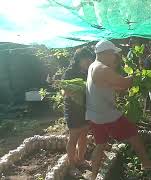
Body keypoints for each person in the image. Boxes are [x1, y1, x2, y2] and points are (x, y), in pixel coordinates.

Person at [86, 40, 151, 179]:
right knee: (133, 132)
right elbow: (124, 83)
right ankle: (146, 163)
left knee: (100, 144)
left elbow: (111, 85)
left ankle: (93, 176)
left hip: (95, 114)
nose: (115, 57)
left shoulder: (93, 66)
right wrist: (139, 76)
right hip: (107, 114)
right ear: (107, 53)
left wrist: (123, 85)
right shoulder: (103, 69)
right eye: (113, 54)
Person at [62, 47, 94, 176]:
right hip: (73, 110)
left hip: (86, 108)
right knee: (74, 136)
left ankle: (81, 159)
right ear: (78, 59)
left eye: (90, 58)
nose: (88, 60)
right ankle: (71, 165)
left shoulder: (89, 72)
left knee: (84, 136)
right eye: (85, 58)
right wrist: (72, 91)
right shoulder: (70, 72)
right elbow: (64, 90)